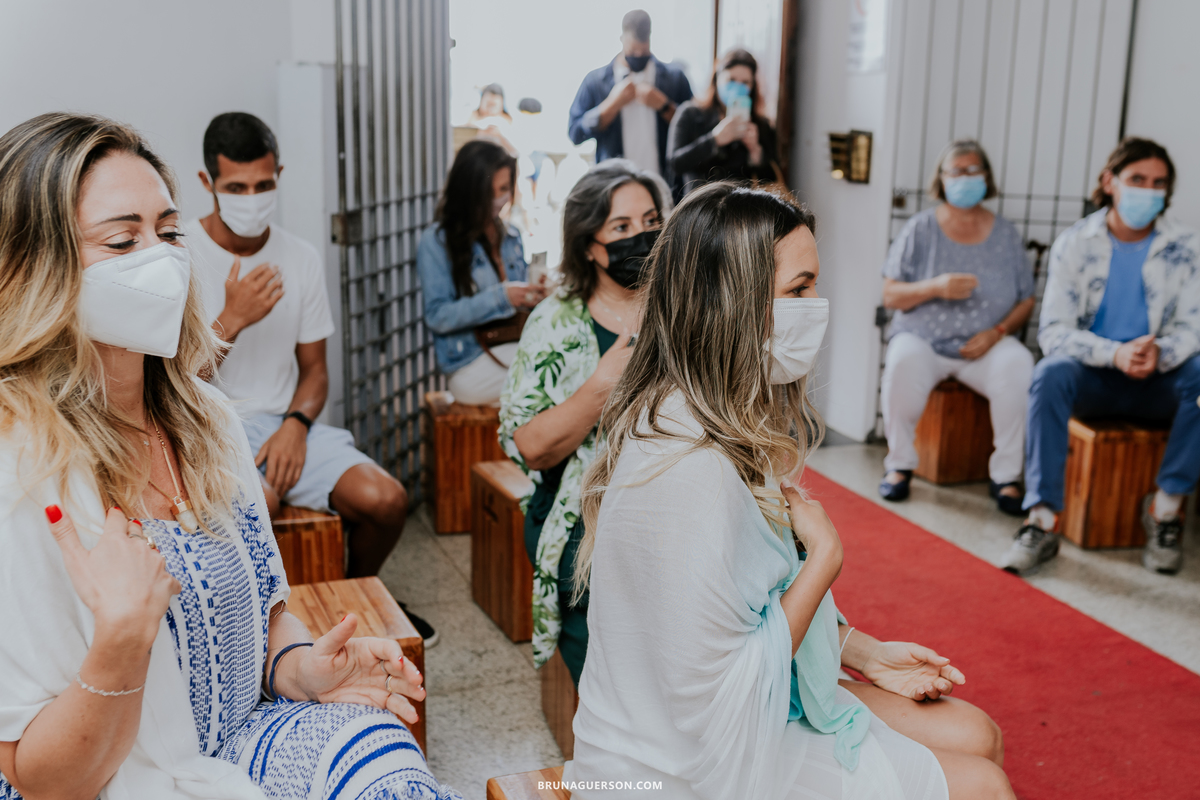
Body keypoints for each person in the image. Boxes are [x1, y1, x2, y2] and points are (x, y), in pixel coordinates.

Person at [0, 112, 459, 800]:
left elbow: (268, 611)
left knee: (385, 756)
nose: (160, 259)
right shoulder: (19, 467)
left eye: (169, 232)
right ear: (34, 268)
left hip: (237, 737)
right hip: (104, 782)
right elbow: (44, 780)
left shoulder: (205, 417)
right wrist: (122, 639)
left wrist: (305, 669)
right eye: (124, 240)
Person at [564, 182, 1015, 799]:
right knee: (983, 783)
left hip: (705, 723)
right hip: (668, 769)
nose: (817, 306)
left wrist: (865, 653)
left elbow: (747, 606)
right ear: (732, 301)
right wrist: (824, 561)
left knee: (976, 733)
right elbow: (725, 699)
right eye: (799, 290)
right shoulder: (687, 465)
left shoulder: (711, 411)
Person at [183, 113, 437, 646]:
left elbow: (316, 371)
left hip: (286, 420)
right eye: (236, 187)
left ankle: (347, 598)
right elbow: (176, 383)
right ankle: (262, 632)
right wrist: (233, 318)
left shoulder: (300, 256)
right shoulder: (181, 255)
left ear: (279, 173)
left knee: (386, 500)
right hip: (214, 424)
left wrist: (297, 423)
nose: (252, 198)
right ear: (208, 184)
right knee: (264, 504)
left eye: (263, 184)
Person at [499, 159, 670, 686]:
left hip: (673, 500)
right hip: (585, 516)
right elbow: (529, 446)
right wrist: (600, 386)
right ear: (589, 245)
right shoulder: (557, 321)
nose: (640, 237)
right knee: (613, 686)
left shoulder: (681, 307)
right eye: (620, 228)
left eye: (650, 222)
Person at [1001, 138, 1200, 576]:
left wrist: (1160, 351)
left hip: (1158, 380)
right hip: (1093, 378)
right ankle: (1042, 519)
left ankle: (1166, 510)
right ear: (1110, 181)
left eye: (1159, 183)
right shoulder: (1075, 243)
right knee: (1049, 373)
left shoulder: (1186, 246)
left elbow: (1193, 326)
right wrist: (1116, 354)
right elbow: (1053, 333)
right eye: (1137, 179)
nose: (1149, 190)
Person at [879, 140, 1035, 513]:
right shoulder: (920, 229)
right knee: (900, 363)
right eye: (956, 171)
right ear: (942, 179)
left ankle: (1007, 476)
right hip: (924, 340)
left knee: (1019, 365)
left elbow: (1026, 299)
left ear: (986, 177)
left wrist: (997, 333)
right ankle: (899, 465)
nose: (965, 177)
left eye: (973, 170)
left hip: (986, 345)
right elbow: (890, 294)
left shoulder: (1007, 234)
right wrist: (934, 287)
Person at [417, 139, 548, 405]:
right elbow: (438, 316)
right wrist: (503, 297)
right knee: (559, 373)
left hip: (514, 347)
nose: (498, 200)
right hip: (469, 361)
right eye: (488, 191)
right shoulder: (437, 241)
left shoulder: (511, 235)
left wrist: (537, 294)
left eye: (504, 189)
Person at [567, 10, 693, 180]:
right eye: (633, 51)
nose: (639, 56)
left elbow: (695, 132)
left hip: (666, 183)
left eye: (644, 50)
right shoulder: (595, 81)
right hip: (614, 184)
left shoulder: (675, 78)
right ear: (622, 39)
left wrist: (664, 106)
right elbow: (575, 133)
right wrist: (610, 105)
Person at [667, 48, 780, 196]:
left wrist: (755, 151)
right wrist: (715, 139)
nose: (738, 87)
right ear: (717, 79)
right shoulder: (690, 113)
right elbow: (675, 163)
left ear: (752, 87)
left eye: (745, 82)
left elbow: (770, 180)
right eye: (731, 80)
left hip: (739, 210)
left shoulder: (760, 125)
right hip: (698, 208)